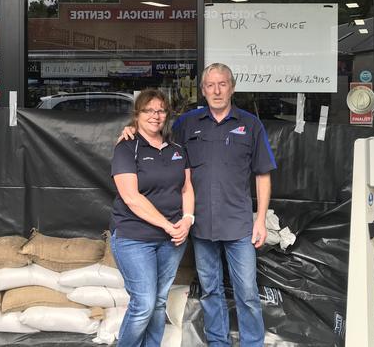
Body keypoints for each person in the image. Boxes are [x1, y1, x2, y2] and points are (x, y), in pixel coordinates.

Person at [121, 63, 277, 346]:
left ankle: (253, 343)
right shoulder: (186, 124)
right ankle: (218, 342)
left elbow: (263, 174)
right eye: (210, 85)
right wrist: (131, 128)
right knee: (210, 290)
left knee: (248, 293)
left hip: (239, 224)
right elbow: (155, 136)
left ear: (232, 87)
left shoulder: (251, 125)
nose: (216, 90)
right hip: (200, 224)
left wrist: (260, 219)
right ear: (202, 90)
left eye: (223, 84)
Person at [110, 88, 195, 347]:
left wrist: (188, 218)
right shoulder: (127, 148)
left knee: (159, 302)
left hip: (172, 240)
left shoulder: (178, 149)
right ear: (137, 115)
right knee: (144, 304)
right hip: (134, 238)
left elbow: (187, 188)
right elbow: (131, 197)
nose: (155, 116)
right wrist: (169, 226)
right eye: (149, 110)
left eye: (160, 110)